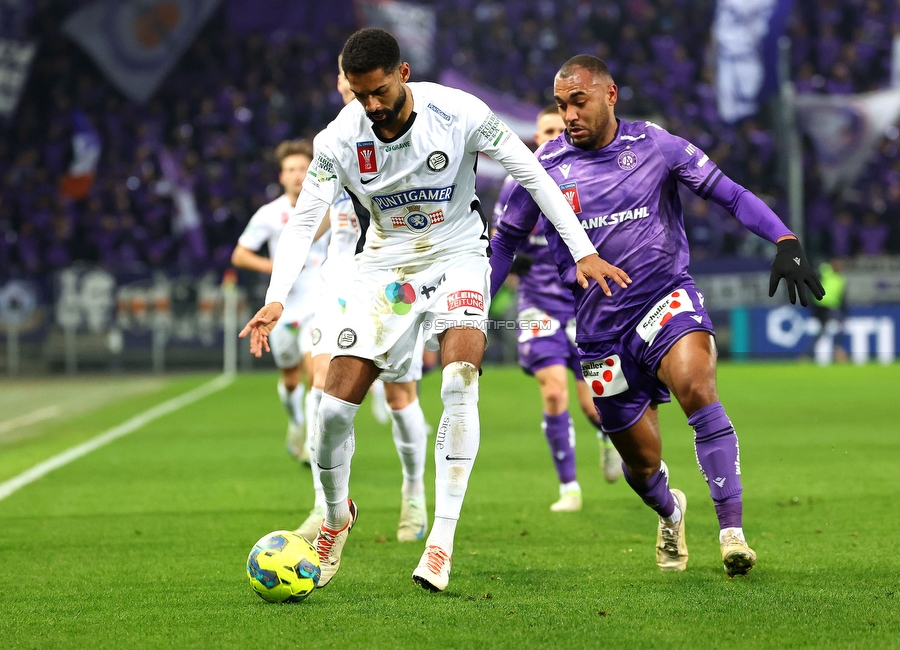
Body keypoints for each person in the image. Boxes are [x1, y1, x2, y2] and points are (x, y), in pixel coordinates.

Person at [240, 30, 628, 593]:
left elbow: (532, 173)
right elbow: (304, 221)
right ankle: (334, 517)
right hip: (385, 271)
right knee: (331, 415)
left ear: (402, 73)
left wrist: (583, 250)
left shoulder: (460, 111)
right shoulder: (338, 139)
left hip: (459, 256)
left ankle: (440, 539)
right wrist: (277, 295)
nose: (371, 106)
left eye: (378, 92)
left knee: (459, 381)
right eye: (359, 94)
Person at [489, 55, 823, 577]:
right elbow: (504, 242)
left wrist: (784, 238)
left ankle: (732, 531)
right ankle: (670, 511)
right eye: (561, 105)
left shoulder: (655, 146)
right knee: (642, 465)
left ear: (610, 94)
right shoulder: (542, 169)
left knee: (697, 388)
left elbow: (729, 194)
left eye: (579, 101)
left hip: (663, 300)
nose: (570, 114)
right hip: (599, 331)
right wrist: (476, 310)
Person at [294, 60, 431, 545]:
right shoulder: (334, 141)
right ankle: (326, 504)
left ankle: (413, 492)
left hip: (393, 282)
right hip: (339, 281)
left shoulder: (413, 132)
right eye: (347, 81)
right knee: (322, 387)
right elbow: (322, 214)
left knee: (399, 396)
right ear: (342, 84)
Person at [492, 105, 622, 514]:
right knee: (553, 390)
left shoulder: (586, 178)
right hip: (536, 304)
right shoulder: (517, 182)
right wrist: (514, 263)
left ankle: (606, 438)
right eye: (545, 130)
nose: (551, 136)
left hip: (583, 303)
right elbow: (498, 243)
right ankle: (569, 488)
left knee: (593, 403)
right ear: (535, 137)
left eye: (557, 129)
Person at [231, 140, 329, 463]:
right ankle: (296, 423)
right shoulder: (270, 214)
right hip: (283, 307)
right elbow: (240, 254)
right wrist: (273, 266)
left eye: (303, 168)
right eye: (291, 169)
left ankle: (313, 450)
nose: (298, 175)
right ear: (281, 175)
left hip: (319, 303)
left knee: (318, 373)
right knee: (290, 380)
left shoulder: (328, 206)